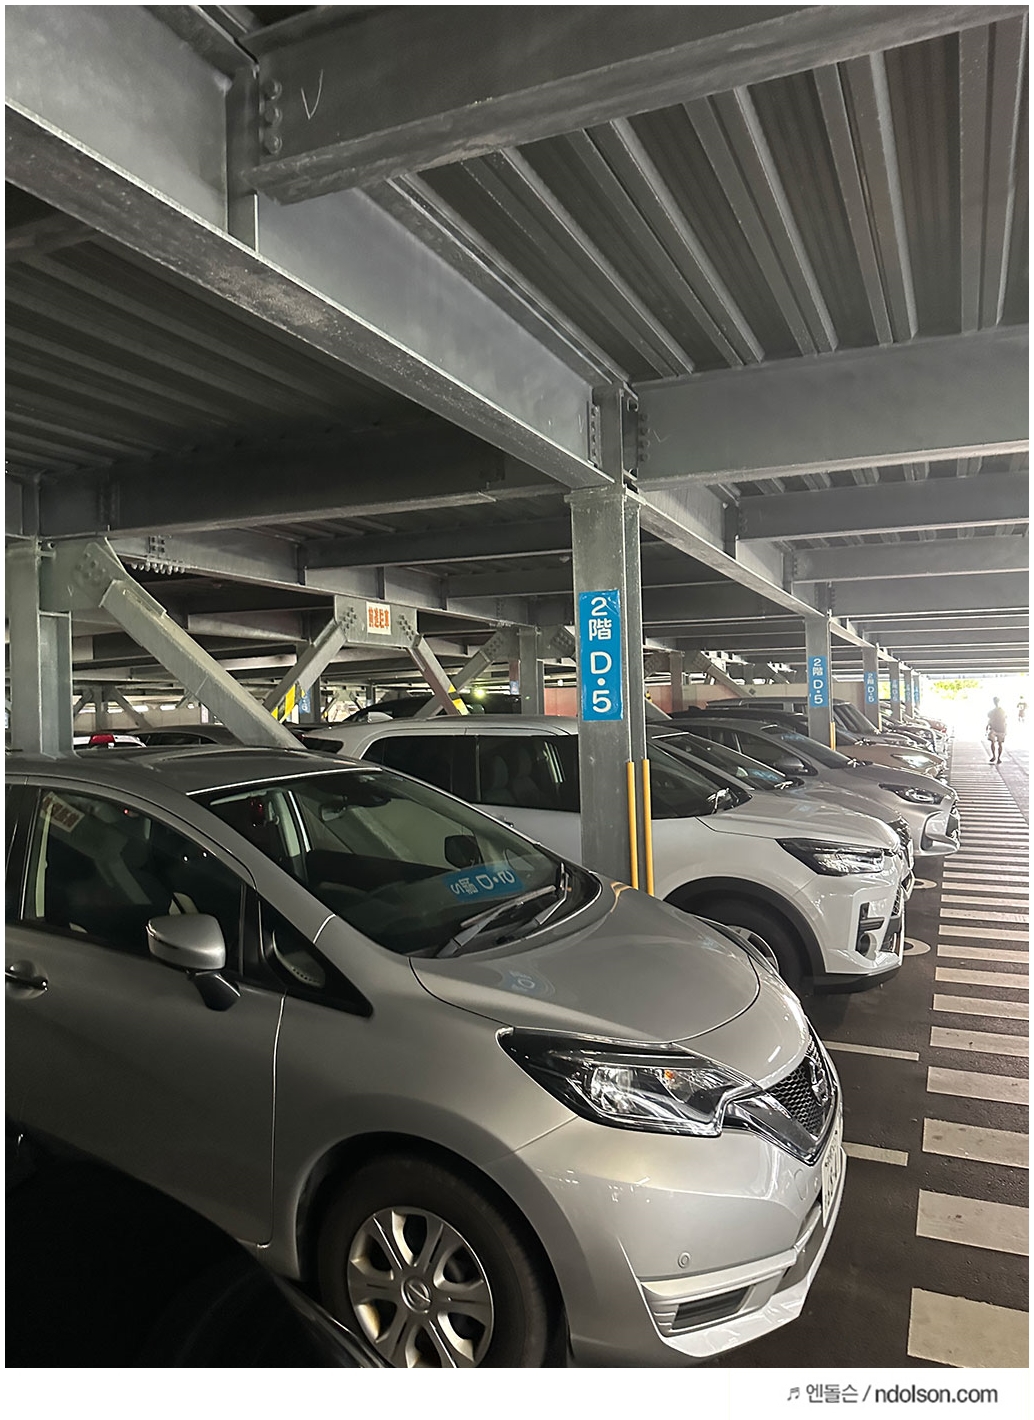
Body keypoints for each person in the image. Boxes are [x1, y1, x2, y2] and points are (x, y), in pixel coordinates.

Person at [986, 697, 1007, 764]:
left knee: (993, 742)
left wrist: (988, 726)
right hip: (1000, 728)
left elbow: (989, 718)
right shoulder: (1002, 711)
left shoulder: (992, 711)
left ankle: (995, 756)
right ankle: (998, 758)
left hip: (995, 728)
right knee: (999, 743)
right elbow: (1005, 720)